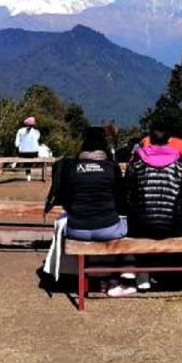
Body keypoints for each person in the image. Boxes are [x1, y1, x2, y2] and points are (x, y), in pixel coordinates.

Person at [44, 127, 129, 296]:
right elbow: (121, 199)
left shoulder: (71, 168)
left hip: (77, 229)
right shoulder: (111, 167)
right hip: (108, 228)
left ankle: (81, 274)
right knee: (131, 225)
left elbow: (67, 201)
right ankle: (123, 275)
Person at [125, 123, 182, 292]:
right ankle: (174, 276)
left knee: (137, 223)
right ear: (169, 140)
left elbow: (129, 194)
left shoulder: (137, 161)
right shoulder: (180, 163)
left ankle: (143, 276)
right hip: (173, 226)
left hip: (142, 226)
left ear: (149, 140)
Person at [15, 116, 42, 181]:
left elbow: (16, 144)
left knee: (26, 159)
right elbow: (37, 140)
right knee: (30, 157)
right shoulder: (37, 132)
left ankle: (28, 174)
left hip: (22, 153)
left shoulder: (20, 131)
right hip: (34, 152)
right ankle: (28, 175)